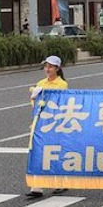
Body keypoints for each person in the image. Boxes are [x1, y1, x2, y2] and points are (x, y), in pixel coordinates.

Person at [25, 55, 69, 199]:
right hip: (41, 123)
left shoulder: (61, 84)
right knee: (38, 152)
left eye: (50, 67)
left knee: (54, 152)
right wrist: (34, 97)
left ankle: (60, 182)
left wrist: (41, 94)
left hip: (56, 123)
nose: (47, 69)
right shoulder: (41, 82)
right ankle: (36, 187)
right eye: (46, 66)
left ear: (57, 68)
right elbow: (35, 102)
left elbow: (58, 99)